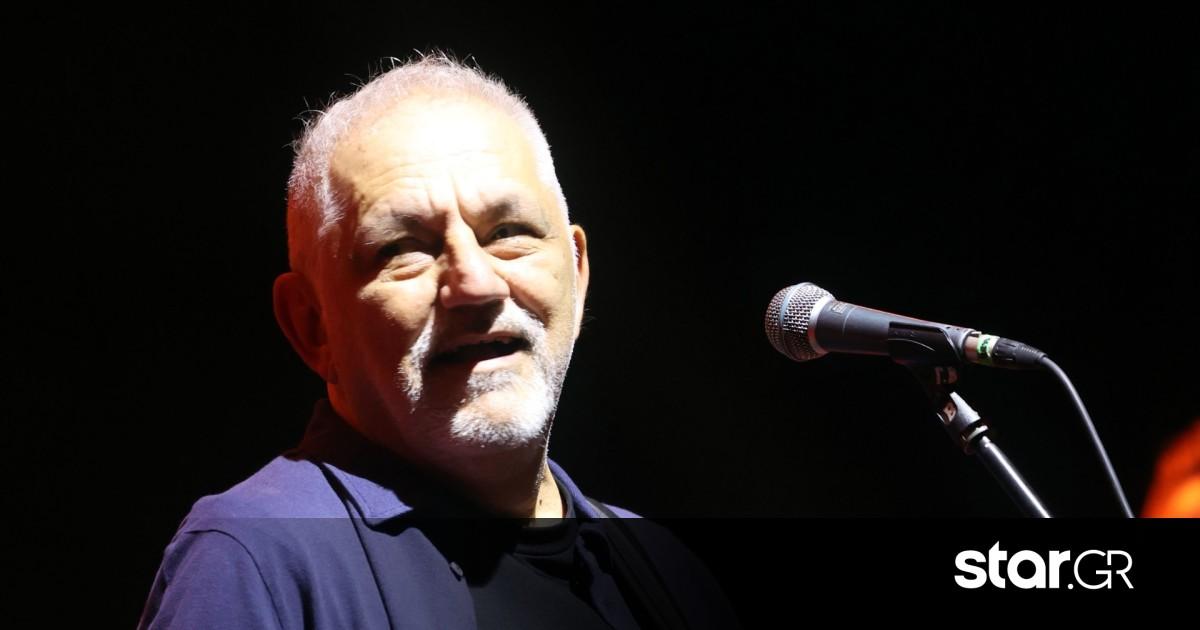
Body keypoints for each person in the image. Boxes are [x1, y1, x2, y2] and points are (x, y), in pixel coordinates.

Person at [138, 55, 738, 629]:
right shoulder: (253, 558)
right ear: (312, 325)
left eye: (509, 232)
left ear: (577, 276)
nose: (475, 284)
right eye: (402, 248)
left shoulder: (669, 571)